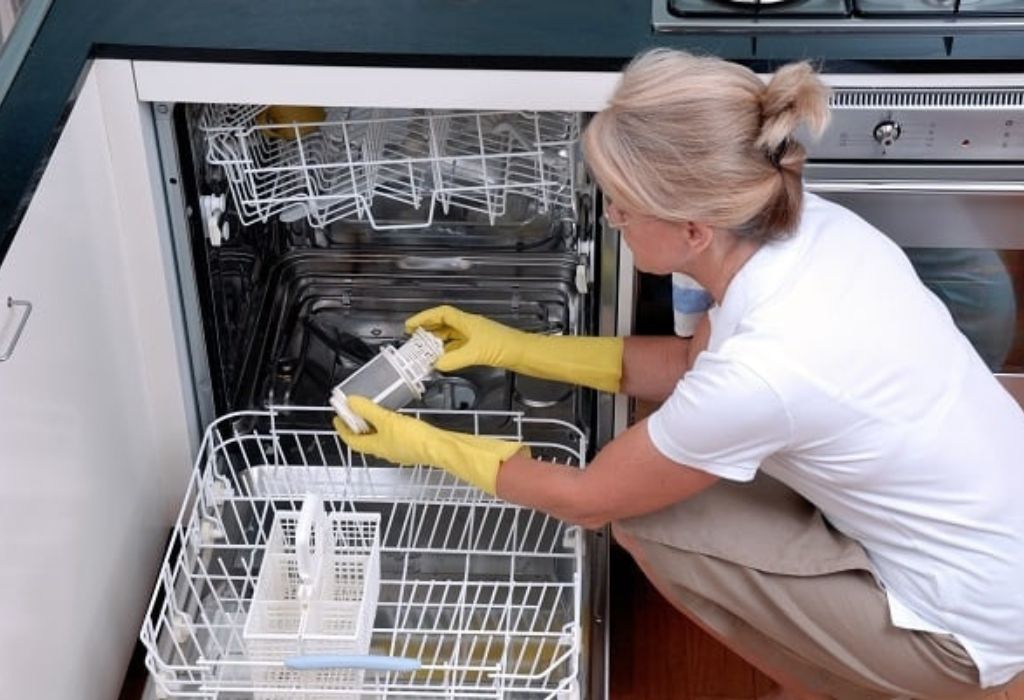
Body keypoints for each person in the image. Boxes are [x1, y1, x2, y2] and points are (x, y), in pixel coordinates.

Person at [334, 49, 1024, 700]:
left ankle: (851, 682)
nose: (611, 218)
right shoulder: (813, 229)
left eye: (622, 208)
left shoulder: (763, 368)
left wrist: (421, 444)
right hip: (994, 534)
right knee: (674, 468)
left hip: (964, 631)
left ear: (693, 230)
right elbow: (687, 366)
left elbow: (590, 497)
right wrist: (508, 346)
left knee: (648, 517)